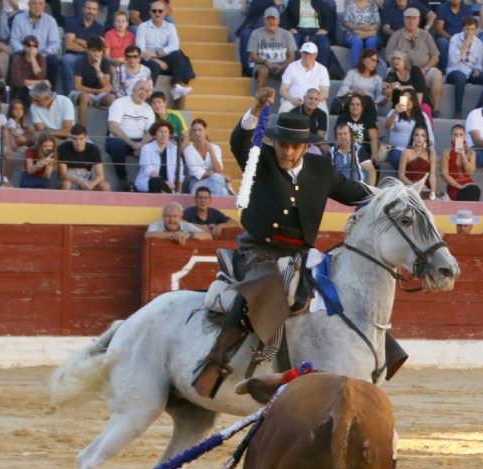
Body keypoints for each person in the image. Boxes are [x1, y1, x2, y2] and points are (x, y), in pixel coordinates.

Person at [191, 88, 371, 398]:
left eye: (294, 146)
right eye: (282, 145)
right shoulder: (260, 160)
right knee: (261, 286)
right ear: (274, 143)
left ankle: (376, 352)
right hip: (257, 250)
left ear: (305, 147)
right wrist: (257, 108)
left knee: (340, 288)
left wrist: (393, 196)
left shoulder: (321, 169)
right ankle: (215, 361)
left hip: (301, 254)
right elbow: (239, 141)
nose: (287, 152)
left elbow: (355, 192)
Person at [384, 7, 442, 114]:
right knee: (388, 72)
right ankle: (394, 107)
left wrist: (425, 69)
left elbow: (436, 56)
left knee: (437, 74)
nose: (411, 21)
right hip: (403, 72)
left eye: (414, 18)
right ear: (404, 20)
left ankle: (436, 109)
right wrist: (401, 67)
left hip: (423, 70)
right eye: (408, 18)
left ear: (419, 20)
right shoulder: (396, 35)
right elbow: (388, 55)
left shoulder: (425, 35)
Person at [136, 0, 195, 101]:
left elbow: (174, 46)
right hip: (148, 58)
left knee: (177, 54)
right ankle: (148, 93)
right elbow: (140, 50)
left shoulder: (170, 27)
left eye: (160, 11)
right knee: (154, 65)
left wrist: (157, 53)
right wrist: (157, 60)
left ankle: (175, 87)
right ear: (150, 12)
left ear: (165, 12)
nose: (157, 13)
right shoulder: (142, 27)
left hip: (161, 55)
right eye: (154, 11)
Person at [105, 79, 154, 183]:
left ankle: (152, 180)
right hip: (120, 139)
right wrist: (131, 143)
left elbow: (152, 131)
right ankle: (122, 179)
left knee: (156, 144)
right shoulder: (119, 103)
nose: (143, 93)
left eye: (146, 91)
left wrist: (141, 144)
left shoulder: (148, 109)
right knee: (117, 145)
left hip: (140, 141)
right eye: (141, 89)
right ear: (133, 89)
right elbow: (113, 127)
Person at [10, 0, 60, 92]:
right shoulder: (18, 18)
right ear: (29, 5)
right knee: (16, 57)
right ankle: (17, 91)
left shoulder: (51, 21)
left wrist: (43, 54)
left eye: (40, 4)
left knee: (53, 60)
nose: (37, 6)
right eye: (34, 3)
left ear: (44, 6)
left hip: (42, 53)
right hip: (23, 52)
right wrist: (25, 52)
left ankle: (51, 91)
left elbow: (54, 43)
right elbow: (14, 40)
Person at [445, 16, 483, 119]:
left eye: (472, 29)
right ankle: (457, 111)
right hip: (455, 70)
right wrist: (465, 44)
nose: (469, 32)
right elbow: (453, 59)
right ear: (463, 28)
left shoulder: (479, 43)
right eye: (467, 29)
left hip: (470, 71)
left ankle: (479, 109)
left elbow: (478, 63)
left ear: (476, 30)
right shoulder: (455, 38)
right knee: (461, 78)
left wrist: (477, 70)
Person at [248, 6, 296, 91]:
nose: (271, 22)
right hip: (262, 64)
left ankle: (289, 98)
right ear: (264, 21)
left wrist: (282, 66)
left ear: (278, 20)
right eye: (268, 19)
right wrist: (266, 62)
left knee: (291, 71)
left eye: (274, 19)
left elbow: (292, 57)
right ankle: (260, 97)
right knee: (263, 70)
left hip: (282, 64)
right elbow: (252, 55)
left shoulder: (287, 34)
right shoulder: (256, 33)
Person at [62, 0, 105, 94]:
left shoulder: (99, 28)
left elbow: (98, 48)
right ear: (83, 9)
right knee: (67, 59)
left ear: (97, 12)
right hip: (73, 55)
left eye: (94, 9)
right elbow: (68, 45)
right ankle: (69, 95)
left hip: (90, 57)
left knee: (104, 61)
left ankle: (95, 95)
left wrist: (78, 40)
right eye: (88, 8)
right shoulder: (72, 23)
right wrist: (90, 47)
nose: (91, 11)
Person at [385, 86, 432, 170]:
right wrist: (395, 112)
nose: (408, 101)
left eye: (410, 99)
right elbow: (387, 127)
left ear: (414, 100)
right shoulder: (394, 112)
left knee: (419, 161)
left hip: (417, 150)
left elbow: (430, 136)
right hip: (398, 149)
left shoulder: (422, 115)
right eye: (405, 99)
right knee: (399, 159)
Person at [71, 36, 115, 125]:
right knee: (85, 97)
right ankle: (81, 129)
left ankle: (111, 129)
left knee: (111, 98)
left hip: (100, 95)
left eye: (99, 51)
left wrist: (98, 69)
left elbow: (106, 85)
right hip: (82, 93)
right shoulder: (79, 62)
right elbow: (77, 87)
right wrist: (98, 91)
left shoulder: (105, 62)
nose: (96, 54)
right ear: (87, 50)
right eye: (93, 51)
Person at [184, 118, 233, 195]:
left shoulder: (215, 148)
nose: (197, 133)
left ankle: (211, 202)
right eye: (194, 131)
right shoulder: (188, 150)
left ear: (206, 130)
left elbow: (217, 170)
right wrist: (219, 175)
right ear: (191, 133)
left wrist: (211, 152)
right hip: (197, 182)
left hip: (215, 180)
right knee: (223, 191)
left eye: (199, 130)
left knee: (218, 183)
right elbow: (197, 173)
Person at [279, 42, 330, 114]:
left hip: (315, 101)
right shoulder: (291, 67)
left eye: (310, 54)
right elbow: (283, 89)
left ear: (315, 55)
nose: (307, 56)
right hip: (293, 101)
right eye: (305, 53)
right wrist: (292, 100)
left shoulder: (322, 69)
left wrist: (313, 101)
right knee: (285, 108)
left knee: (323, 110)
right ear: (301, 54)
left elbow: (325, 92)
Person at [334, 49, 385, 121]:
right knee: (355, 103)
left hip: (368, 108)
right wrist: (354, 91)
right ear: (363, 60)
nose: (374, 63)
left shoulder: (377, 79)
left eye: (376, 61)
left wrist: (387, 96)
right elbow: (342, 92)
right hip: (352, 105)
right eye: (372, 60)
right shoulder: (352, 74)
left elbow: (379, 100)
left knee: (367, 100)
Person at [58, 123, 110, 191]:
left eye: (81, 139)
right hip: (70, 181)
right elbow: (63, 174)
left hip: (87, 180)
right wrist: (80, 182)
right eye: (75, 139)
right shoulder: (63, 148)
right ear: (70, 138)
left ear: (86, 138)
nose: (78, 142)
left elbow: (101, 175)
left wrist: (92, 184)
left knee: (105, 186)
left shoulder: (93, 149)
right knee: (66, 184)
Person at [284, 0, 334, 71]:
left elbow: (328, 18)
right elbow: (286, 17)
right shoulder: (293, 2)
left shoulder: (319, 2)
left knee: (324, 43)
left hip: (316, 30)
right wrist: (289, 29)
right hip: (298, 30)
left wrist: (325, 29)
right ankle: (295, 71)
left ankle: (321, 71)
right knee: (294, 41)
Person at [336, 93, 380, 173]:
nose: (355, 107)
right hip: (347, 149)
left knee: (375, 164)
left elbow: (373, 138)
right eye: (352, 104)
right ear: (349, 107)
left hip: (364, 151)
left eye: (358, 104)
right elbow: (338, 136)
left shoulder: (368, 119)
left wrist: (374, 153)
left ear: (362, 107)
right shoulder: (342, 118)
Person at [440, 123, 479, 201]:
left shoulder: (471, 153)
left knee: (474, 190)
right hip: (454, 186)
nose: (458, 137)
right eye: (455, 135)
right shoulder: (446, 153)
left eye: (461, 135)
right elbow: (444, 174)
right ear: (452, 137)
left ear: (464, 137)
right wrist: (458, 186)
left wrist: (463, 156)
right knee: (470, 195)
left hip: (469, 185)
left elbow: (469, 172)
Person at [398, 124, 437, 199]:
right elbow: (401, 175)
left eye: (422, 135)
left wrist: (433, 191)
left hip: (425, 189)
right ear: (413, 137)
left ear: (426, 138)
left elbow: (432, 176)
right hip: (409, 188)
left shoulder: (431, 154)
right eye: (417, 135)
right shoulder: (406, 152)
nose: (419, 138)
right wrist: (415, 186)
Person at [9, 34, 49, 105]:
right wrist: (41, 82)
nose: (31, 48)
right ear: (24, 47)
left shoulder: (41, 59)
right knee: (26, 94)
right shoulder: (17, 58)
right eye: (28, 45)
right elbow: (18, 81)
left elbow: (40, 76)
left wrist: (33, 59)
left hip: (36, 89)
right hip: (21, 90)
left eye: (34, 46)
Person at [147, 201, 212, 244]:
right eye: (168, 216)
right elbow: (148, 235)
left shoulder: (187, 226)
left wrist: (190, 235)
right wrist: (175, 235)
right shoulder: (156, 224)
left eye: (175, 216)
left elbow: (208, 236)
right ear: (163, 217)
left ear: (180, 218)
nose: (171, 219)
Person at [434, 0, 470, 71]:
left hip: (461, 37)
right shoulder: (442, 8)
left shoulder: (466, 9)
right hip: (445, 37)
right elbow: (438, 29)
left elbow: (469, 27)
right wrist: (452, 38)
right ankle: (443, 71)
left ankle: (466, 70)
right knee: (442, 43)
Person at [343, 0, 381, 67]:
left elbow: (377, 23)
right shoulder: (350, 4)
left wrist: (370, 28)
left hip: (369, 33)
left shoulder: (372, 4)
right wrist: (358, 27)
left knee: (372, 41)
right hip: (353, 33)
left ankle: (371, 69)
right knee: (357, 41)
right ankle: (356, 69)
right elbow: (346, 23)